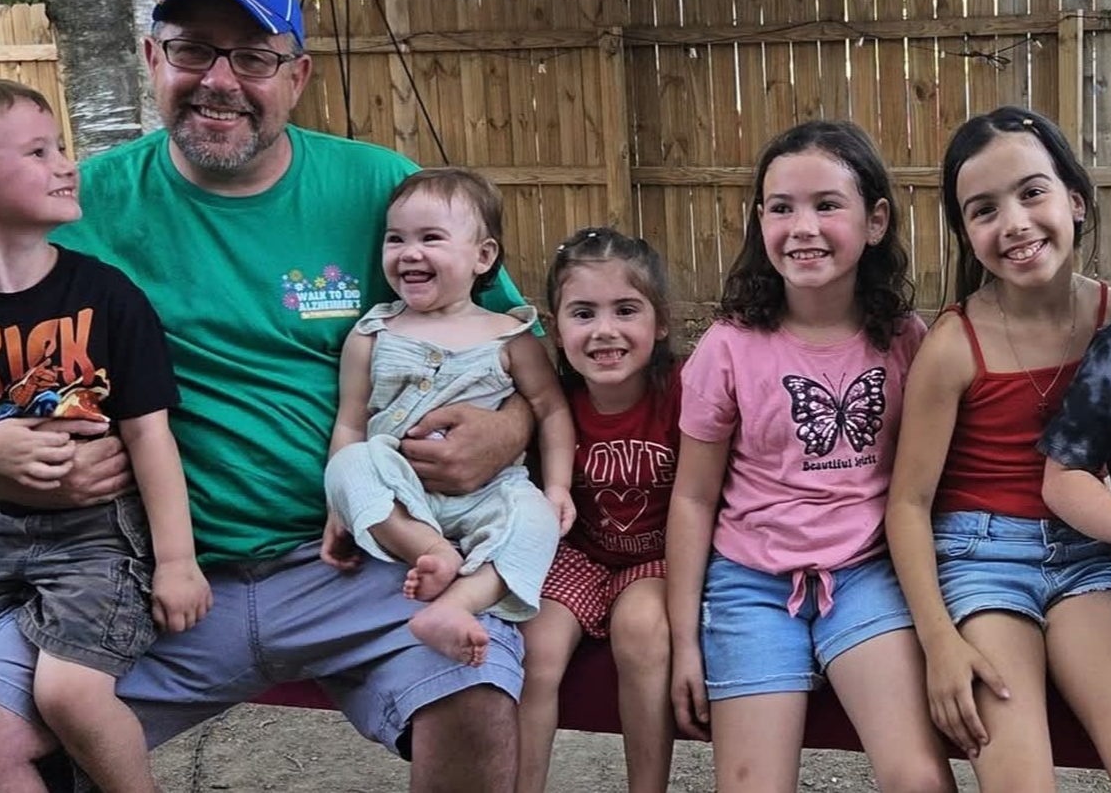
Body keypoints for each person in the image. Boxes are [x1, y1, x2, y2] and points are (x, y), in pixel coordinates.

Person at [0, 0, 534, 793]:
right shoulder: (70, 209)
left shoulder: (385, 193)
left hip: (366, 563)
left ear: (298, 75)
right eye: (193, 50)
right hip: (136, 574)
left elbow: (524, 350)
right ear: (152, 58)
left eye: (252, 57)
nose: (219, 79)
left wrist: (505, 432)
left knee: (476, 695)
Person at [0, 77, 211, 793]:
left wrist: (177, 563)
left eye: (61, 147)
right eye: (39, 152)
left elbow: (150, 434)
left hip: (101, 539)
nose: (67, 165)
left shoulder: (105, 294)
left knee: (69, 692)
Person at [666, 120, 956, 793]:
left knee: (918, 778)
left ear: (875, 220)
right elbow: (694, 497)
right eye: (781, 207)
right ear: (759, 221)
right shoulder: (729, 347)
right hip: (750, 586)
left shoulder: (908, 342)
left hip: (865, 575)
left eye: (827, 205)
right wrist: (685, 641)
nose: (802, 228)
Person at [886, 106, 1111, 789]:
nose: (1013, 223)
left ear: (1075, 200)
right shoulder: (954, 344)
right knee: (1021, 778)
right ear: (967, 234)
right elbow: (907, 504)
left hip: (1089, 555)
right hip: (982, 561)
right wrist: (937, 640)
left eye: (1032, 192)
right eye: (984, 210)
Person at [322, 167, 572, 669]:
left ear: (483, 257)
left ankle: (460, 602)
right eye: (396, 238)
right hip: (400, 490)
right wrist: (338, 504)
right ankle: (433, 551)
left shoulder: (510, 336)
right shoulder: (372, 334)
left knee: (538, 521)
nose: (409, 252)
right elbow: (350, 423)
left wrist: (558, 487)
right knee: (348, 463)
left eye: (431, 238)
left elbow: (552, 408)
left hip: (490, 492)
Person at [517, 227, 681, 793]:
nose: (604, 330)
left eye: (626, 310)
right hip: (579, 555)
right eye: (583, 313)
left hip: (659, 558)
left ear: (661, 322)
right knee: (534, 647)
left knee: (641, 629)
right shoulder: (550, 403)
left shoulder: (683, 392)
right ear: (556, 326)